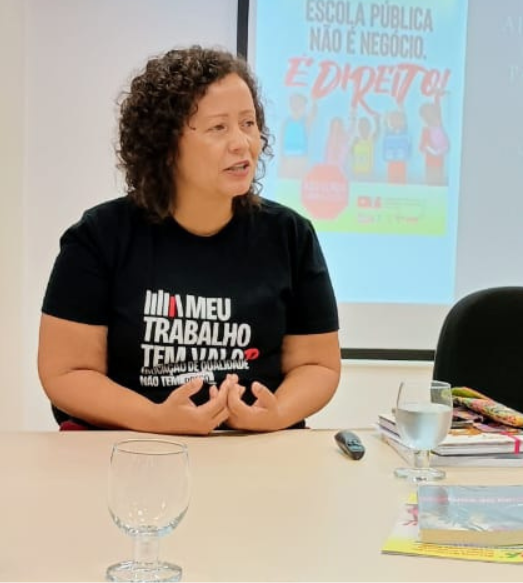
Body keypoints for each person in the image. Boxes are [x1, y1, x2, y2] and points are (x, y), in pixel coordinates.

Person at [37, 46, 341, 435]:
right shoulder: (99, 237)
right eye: (219, 128)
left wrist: (277, 412)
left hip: (252, 448)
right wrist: (154, 418)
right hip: (131, 446)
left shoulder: (289, 235)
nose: (242, 143)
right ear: (166, 145)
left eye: (248, 123)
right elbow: (66, 372)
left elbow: (317, 364)